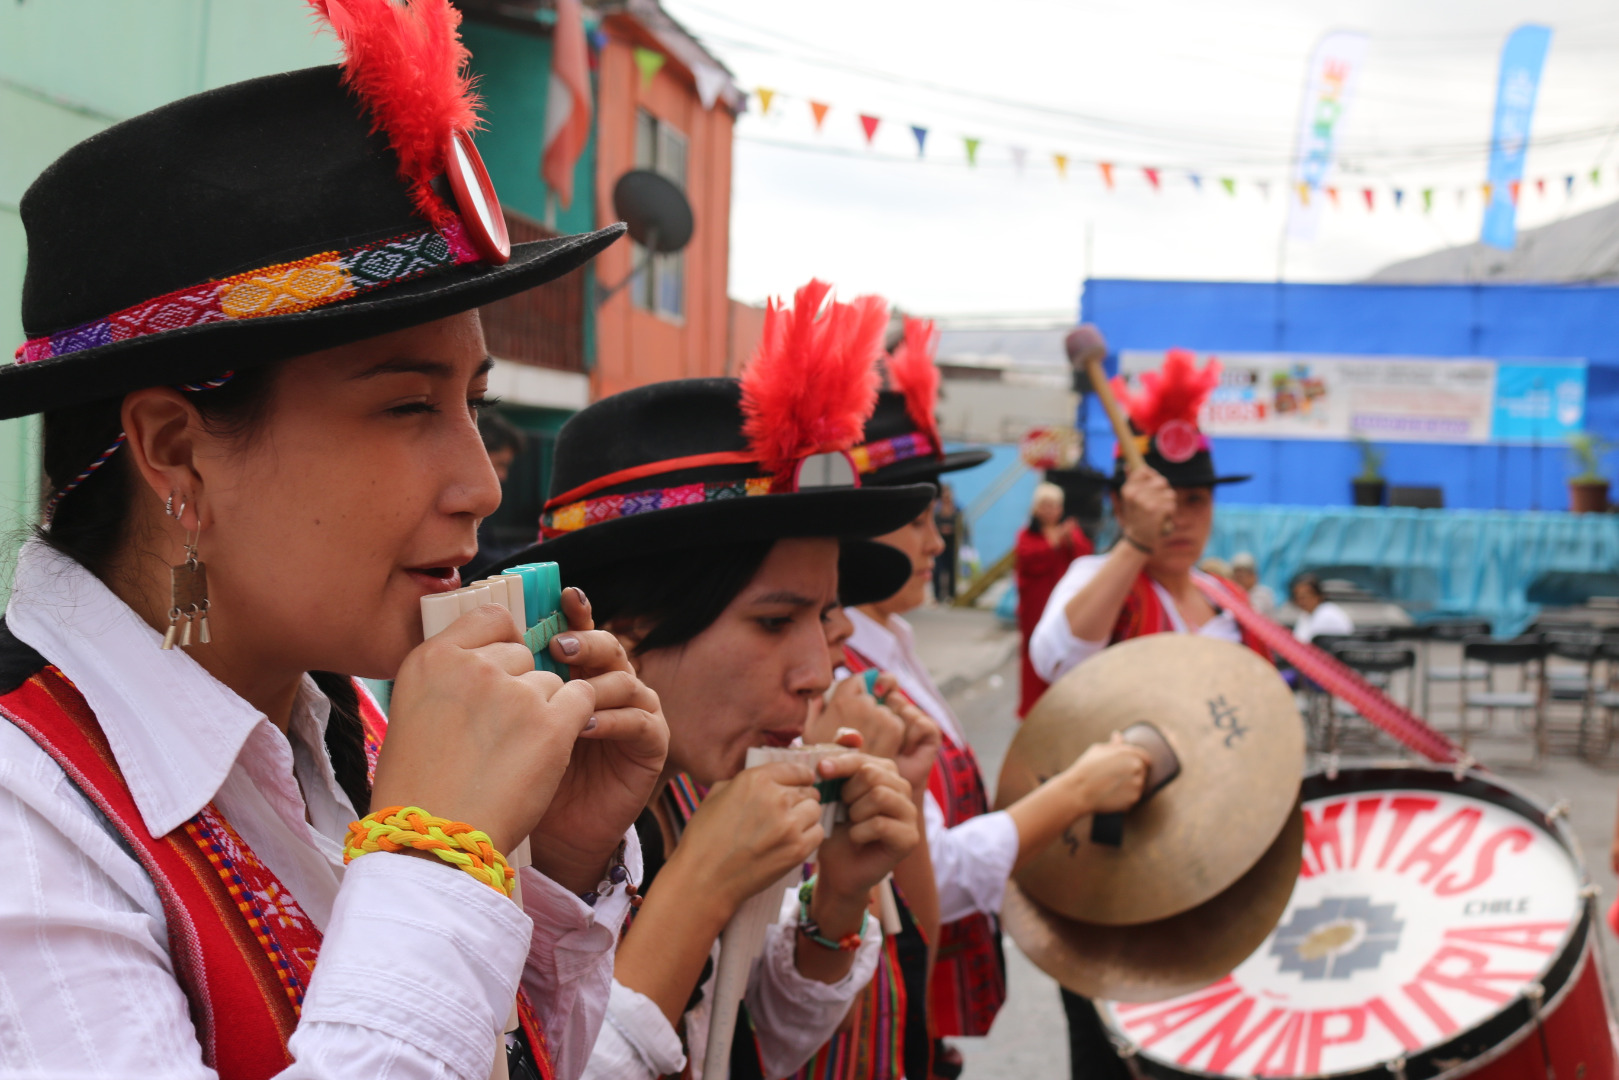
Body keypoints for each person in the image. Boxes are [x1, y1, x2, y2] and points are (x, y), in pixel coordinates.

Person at [0, 7, 661, 1077]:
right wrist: (436, 855)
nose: (481, 482)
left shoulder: (340, 725)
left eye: (473, 404)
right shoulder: (24, 827)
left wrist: (554, 862)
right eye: (406, 407)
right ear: (175, 451)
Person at [492, 281, 933, 1080]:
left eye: (824, 618)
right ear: (620, 632)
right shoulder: (498, 838)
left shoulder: (694, 783)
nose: (817, 673)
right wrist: (700, 884)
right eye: (773, 622)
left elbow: (749, 1037)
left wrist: (835, 900)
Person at [844, 316, 1152, 1077]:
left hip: (908, 1006)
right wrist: (1076, 790)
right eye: (917, 522)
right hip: (861, 1018)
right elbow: (934, 869)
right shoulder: (845, 672)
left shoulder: (892, 641)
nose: (938, 542)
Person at [1028, 348, 1269, 1080]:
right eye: (1167, 500)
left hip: (1212, 872)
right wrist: (1132, 544)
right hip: (1113, 876)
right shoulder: (1093, 579)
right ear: (1133, 501)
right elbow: (1057, 655)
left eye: (1197, 502)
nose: (1181, 517)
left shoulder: (1229, 603)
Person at [1015, 482, 1093, 716]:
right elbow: (1028, 561)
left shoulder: (1069, 533)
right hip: (1035, 608)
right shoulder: (1027, 536)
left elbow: (1084, 556)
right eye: (1045, 505)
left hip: (1061, 607)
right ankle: (1032, 710)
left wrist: (1069, 539)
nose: (1050, 511)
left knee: (1064, 653)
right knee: (1033, 657)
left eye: (1054, 506)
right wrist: (1054, 542)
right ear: (1036, 509)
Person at [1290, 572, 1355, 642]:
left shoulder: (1326, 614)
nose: (1301, 601)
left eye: (1305, 597)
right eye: (1298, 598)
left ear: (1318, 595)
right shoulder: (1305, 615)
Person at [932, 485, 966, 602]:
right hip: (940, 544)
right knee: (938, 570)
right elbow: (933, 526)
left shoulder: (957, 509)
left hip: (952, 544)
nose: (946, 497)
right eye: (944, 495)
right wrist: (942, 529)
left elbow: (963, 527)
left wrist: (952, 530)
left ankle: (951, 595)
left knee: (952, 570)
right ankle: (937, 596)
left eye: (948, 495)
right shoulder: (936, 510)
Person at [1231, 551, 1277, 616]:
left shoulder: (1263, 594)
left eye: (1241, 577)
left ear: (1253, 576)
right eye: (1236, 577)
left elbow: (1254, 615)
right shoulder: (1232, 592)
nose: (1238, 581)